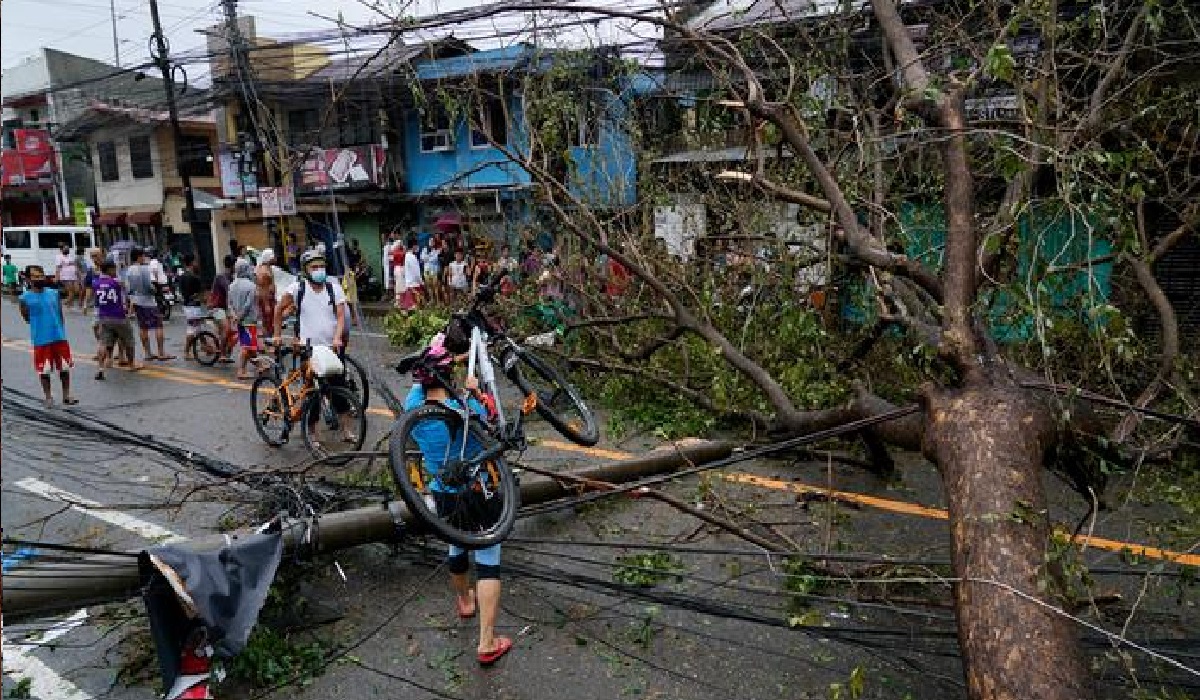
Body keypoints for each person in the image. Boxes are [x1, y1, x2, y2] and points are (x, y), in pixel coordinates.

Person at [403, 334, 513, 667]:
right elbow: (495, 423)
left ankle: (465, 601)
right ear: (448, 375)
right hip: (479, 491)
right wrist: (476, 391)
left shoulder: (413, 407)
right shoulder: (466, 409)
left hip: (443, 494)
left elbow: (423, 381)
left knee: (456, 544)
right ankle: (487, 642)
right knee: (488, 556)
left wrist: (438, 349)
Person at [273, 249, 357, 446]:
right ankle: (313, 435)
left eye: (322, 266)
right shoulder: (297, 289)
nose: (319, 270)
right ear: (306, 270)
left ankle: (347, 430)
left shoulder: (333, 288)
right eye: (314, 267)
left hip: (331, 349)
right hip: (308, 349)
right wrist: (277, 335)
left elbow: (340, 316)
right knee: (312, 393)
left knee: (339, 389)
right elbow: (278, 309)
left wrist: (337, 338)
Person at [19, 265, 77, 407]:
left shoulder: (54, 293)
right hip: (41, 339)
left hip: (59, 337)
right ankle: (48, 397)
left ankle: (66, 395)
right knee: (44, 370)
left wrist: (61, 331)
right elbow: (26, 318)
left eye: (41, 275)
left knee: (64, 368)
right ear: (28, 279)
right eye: (35, 276)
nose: (39, 278)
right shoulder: (24, 298)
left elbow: (60, 314)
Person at [92, 260, 142, 379]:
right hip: (119, 316)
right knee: (129, 340)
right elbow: (128, 290)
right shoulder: (116, 282)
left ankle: (100, 368)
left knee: (103, 343)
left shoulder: (96, 283)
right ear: (109, 269)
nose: (115, 271)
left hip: (104, 317)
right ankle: (131, 365)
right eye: (114, 269)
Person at [126, 248, 175, 361]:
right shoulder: (144, 269)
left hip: (137, 301)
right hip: (149, 301)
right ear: (139, 256)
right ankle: (161, 353)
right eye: (143, 256)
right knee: (158, 326)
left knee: (143, 327)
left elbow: (129, 288)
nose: (144, 258)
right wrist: (155, 290)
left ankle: (147, 353)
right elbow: (149, 286)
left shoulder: (129, 270)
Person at [228, 258, 259, 380]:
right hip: (248, 319)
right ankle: (241, 370)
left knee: (249, 344)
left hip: (238, 319)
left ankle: (259, 364)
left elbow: (229, 304)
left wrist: (235, 316)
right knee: (247, 346)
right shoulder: (251, 286)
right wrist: (240, 316)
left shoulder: (231, 285)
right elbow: (248, 304)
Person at [178, 254, 206, 361]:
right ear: (192, 262)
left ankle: (204, 346)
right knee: (192, 329)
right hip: (194, 307)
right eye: (195, 261)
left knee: (198, 327)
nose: (197, 263)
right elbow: (200, 294)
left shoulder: (182, 276)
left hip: (187, 306)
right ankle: (186, 351)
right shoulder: (194, 278)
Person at [209, 255, 235, 363]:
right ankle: (222, 354)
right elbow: (229, 291)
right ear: (232, 266)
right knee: (226, 329)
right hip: (217, 307)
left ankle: (227, 351)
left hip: (226, 307)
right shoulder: (221, 277)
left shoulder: (232, 277)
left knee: (232, 330)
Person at [255, 249, 278, 338]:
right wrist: (266, 304)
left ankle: (269, 338)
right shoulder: (264, 271)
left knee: (270, 322)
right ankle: (268, 340)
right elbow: (263, 289)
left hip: (270, 298)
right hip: (266, 299)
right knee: (267, 322)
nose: (274, 258)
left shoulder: (267, 268)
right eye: (272, 257)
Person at [54, 243, 82, 309]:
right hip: (65, 277)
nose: (67, 249)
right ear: (61, 249)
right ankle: (64, 305)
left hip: (74, 276)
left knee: (77, 290)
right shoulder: (59, 257)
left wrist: (79, 274)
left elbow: (75, 266)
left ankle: (68, 304)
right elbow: (58, 268)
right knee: (71, 292)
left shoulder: (70, 256)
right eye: (66, 248)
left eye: (68, 248)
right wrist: (56, 277)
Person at [402, 237, 424, 310]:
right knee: (416, 307)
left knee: (410, 308)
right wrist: (421, 282)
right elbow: (416, 273)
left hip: (409, 284)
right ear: (414, 246)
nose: (418, 247)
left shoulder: (407, 256)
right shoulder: (412, 257)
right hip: (414, 284)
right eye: (417, 245)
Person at [421, 236, 443, 305]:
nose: (431, 242)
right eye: (430, 241)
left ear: (434, 242)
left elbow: (435, 259)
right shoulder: (424, 249)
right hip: (427, 270)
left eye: (433, 241)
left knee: (435, 286)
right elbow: (422, 258)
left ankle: (438, 301)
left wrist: (428, 258)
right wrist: (430, 258)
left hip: (434, 270)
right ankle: (432, 300)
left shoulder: (437, 250)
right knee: (429, 286)